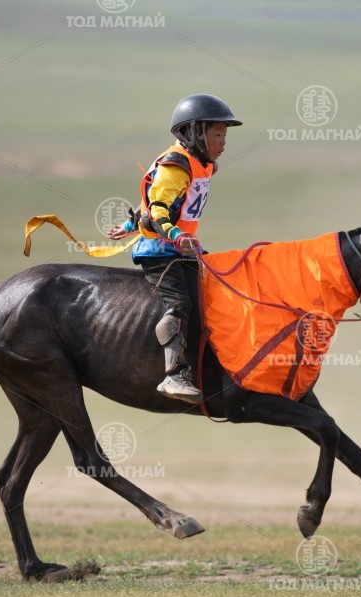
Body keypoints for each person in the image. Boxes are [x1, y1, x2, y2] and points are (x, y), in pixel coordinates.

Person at [108, 94, 241, 403]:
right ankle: (174, 376)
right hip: (160, 251)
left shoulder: (202, 165)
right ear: (194, 133)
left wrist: (129, 224)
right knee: (180, 304)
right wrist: (176, 236)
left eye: (225, 135)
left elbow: (160, 200)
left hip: (183, 249)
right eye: (218, 135)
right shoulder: (176, 165)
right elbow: (157, 209)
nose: (223, 142)